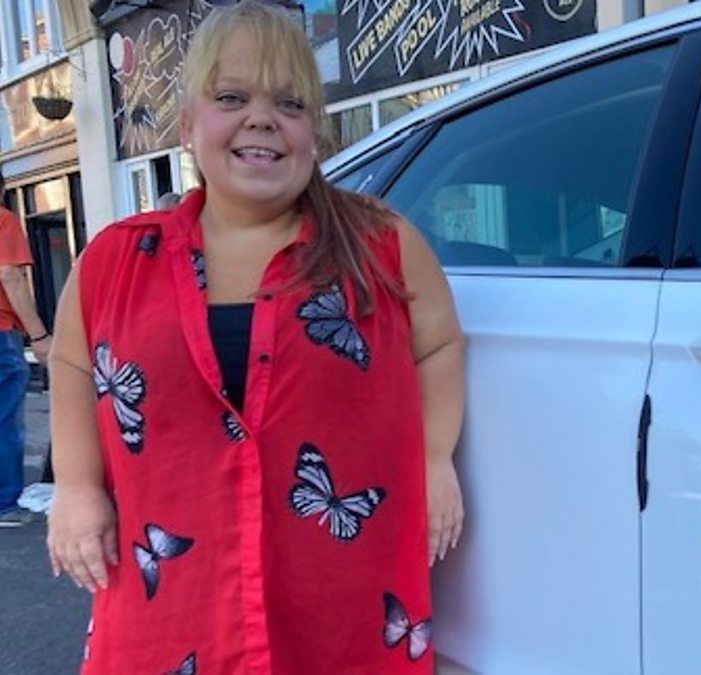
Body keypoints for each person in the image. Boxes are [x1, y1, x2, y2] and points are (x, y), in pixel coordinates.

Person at [46, 3, 465, 673]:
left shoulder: (381, 244)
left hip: (335, 600)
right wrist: (75, 487)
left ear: (314, 132)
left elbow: (439, 344)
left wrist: (436, 457)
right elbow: (71, 363)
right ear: (188, 125)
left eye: (289, 104)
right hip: (172, 606)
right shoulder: (114, 262)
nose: (262, 118)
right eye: (232, 98)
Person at [0, 172, 52, 523]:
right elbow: (9, 275)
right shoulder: (3, 220)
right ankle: (5, 503)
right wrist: (39, 335)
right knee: (5, 419)